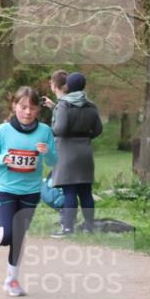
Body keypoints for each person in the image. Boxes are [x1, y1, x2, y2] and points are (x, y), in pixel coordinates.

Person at [0, 87, 58, 296]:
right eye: (23, 107)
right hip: (6, 190)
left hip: (31, 192)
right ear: (14, 106)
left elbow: (54, 161)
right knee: (6, 235)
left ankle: (11, 280)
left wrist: (48, 152)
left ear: (37, 111)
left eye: (32, 108)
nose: (27, 112)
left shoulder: (44, 131)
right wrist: (2, 159)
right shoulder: (3, 130)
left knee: (19, 236)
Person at [48, 71, 102, 237]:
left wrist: (49, 131)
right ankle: (89, 227)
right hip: (85, 151)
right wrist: (85, 137)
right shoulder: (91, 105)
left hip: (66, 152)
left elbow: (61, 128)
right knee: (85, 190)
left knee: (69, 190)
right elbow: (98, 129)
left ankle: (67, 228)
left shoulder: (64, 104)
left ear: (68, 86)